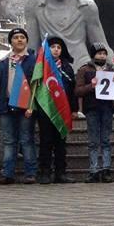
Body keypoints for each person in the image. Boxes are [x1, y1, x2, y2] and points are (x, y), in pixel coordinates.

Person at [24, 0, 111, 69]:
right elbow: (32, 45)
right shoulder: (33, 4)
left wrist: (113, 68)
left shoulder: (87, 6)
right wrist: (29, 71)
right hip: (49, 66)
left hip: (81, 64)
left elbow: (100, 42)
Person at [0, 27, 37, 184]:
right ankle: (8, 173)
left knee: (27, 139)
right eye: (16, 38)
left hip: (26, 106)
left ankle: (31, 173)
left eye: (22, 37)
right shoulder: (3, 62)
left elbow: (38, 86)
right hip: (6, 105)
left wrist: (32, 105)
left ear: (27, 41)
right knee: (9, 141)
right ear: (10, 42)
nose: (19, 40)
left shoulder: (34, 61)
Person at [74, 42, 114, 183]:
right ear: (93, 55)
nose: (102, 56)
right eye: (99, 53)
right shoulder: (84, 70)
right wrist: (91, 86)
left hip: (107, 108)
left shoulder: (111, 70)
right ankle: (93, 170)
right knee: (93, 141)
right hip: (92, 108)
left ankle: (106, 169)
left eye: (104, 53)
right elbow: (78, 90)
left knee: (106, 140)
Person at [33, 35, 77, 184]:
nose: (56, 50)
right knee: (46, 141)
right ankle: (44, 172)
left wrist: (74, 109)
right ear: (47, 49)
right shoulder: (42, 67)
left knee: (60, 142)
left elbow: (72, 90)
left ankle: (60, 172)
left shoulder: (66, 67)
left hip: (63, 108)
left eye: (59, 47)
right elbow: (35, 88)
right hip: (46, 108)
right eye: (53, 47)